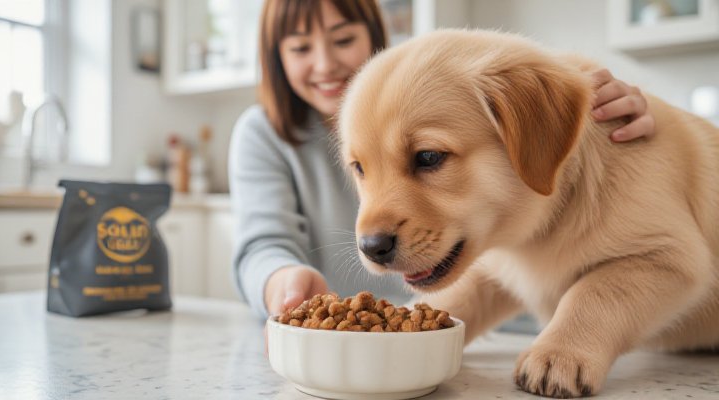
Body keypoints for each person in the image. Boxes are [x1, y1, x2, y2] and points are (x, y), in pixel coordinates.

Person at [229, 0, 656, 319]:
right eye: (300, 48)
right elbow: (262, 244)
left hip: (452, 324)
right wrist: (279, 281)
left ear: (374, 37)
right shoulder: (260, 133)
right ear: (276, 59)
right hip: (361, 338)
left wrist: (591, 116)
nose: (324, 63)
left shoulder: (443, 95)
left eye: (342, 39)